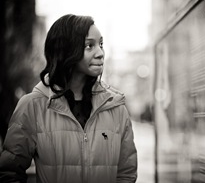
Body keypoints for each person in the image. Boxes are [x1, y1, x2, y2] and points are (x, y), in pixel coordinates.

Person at [0, 14, 137, 183]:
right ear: (65, 49)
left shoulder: (115, 107)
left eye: (101, 44)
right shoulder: (33, 106)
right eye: (89, 46)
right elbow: (9, 174)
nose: (100, 53)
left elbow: (127, 174)